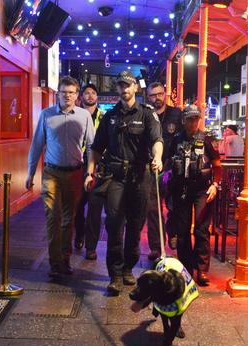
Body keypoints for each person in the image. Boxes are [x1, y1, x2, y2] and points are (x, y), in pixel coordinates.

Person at [85, 71, 164, 296]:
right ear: (118, 89)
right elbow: (96, 148)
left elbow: (157, 140)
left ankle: (129, 266)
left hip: (140, 177)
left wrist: (157, 157)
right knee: (114, 224)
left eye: (128, 86)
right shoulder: (110, 117)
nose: (124, 89)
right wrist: (90, 172)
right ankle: (115, 274)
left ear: (135, 89)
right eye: (121, 86)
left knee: (136, 224)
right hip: (116, 176)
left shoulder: (147, 114)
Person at [27, 76, 95, 278]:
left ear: (77, 95)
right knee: (52, 217)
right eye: (64, 92)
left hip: (75, 173)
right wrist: (30, 173)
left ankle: (64, 259)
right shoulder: (47, 115)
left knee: (69, 219)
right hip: (52, 173)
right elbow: (37, 144)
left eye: (71, 92)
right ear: (58, 94)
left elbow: (91, 147)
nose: (67, 96)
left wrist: (90, 173)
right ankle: (55, 263)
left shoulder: (84, 116)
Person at [166, 105, 221, 286]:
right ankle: (186, 269)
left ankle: (202, 270)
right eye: (189, 119)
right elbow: (167, 163)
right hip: (181, 189)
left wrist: (215, 184)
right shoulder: (176, 139)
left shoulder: (206, 139)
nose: (193, 122)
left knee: (201, 230)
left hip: (202, 190)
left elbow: (217, 165)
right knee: (182, 233)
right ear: (183, 120)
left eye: (196, 119)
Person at [145, 81, 182, 260]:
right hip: (152, 168)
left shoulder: (176, 114)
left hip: (173, 168)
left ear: (164, 94)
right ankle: (156, 247)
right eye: (153, 95)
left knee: (174, 206)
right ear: (148, 96)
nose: (157, 98)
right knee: (153, 209)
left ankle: (172, 231)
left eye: (159, 94)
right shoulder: (144, 114)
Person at [73, 83, 105, 260]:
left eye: (93, 93)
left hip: (97, 166)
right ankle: (79, 235)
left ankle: (91, 247)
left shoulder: (104, 117)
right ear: (81, 97)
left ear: (97, 97)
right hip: (78, 164)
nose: (90, 96)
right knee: (78, 206)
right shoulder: (75, 115)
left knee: (95, 207)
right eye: (87, 93)